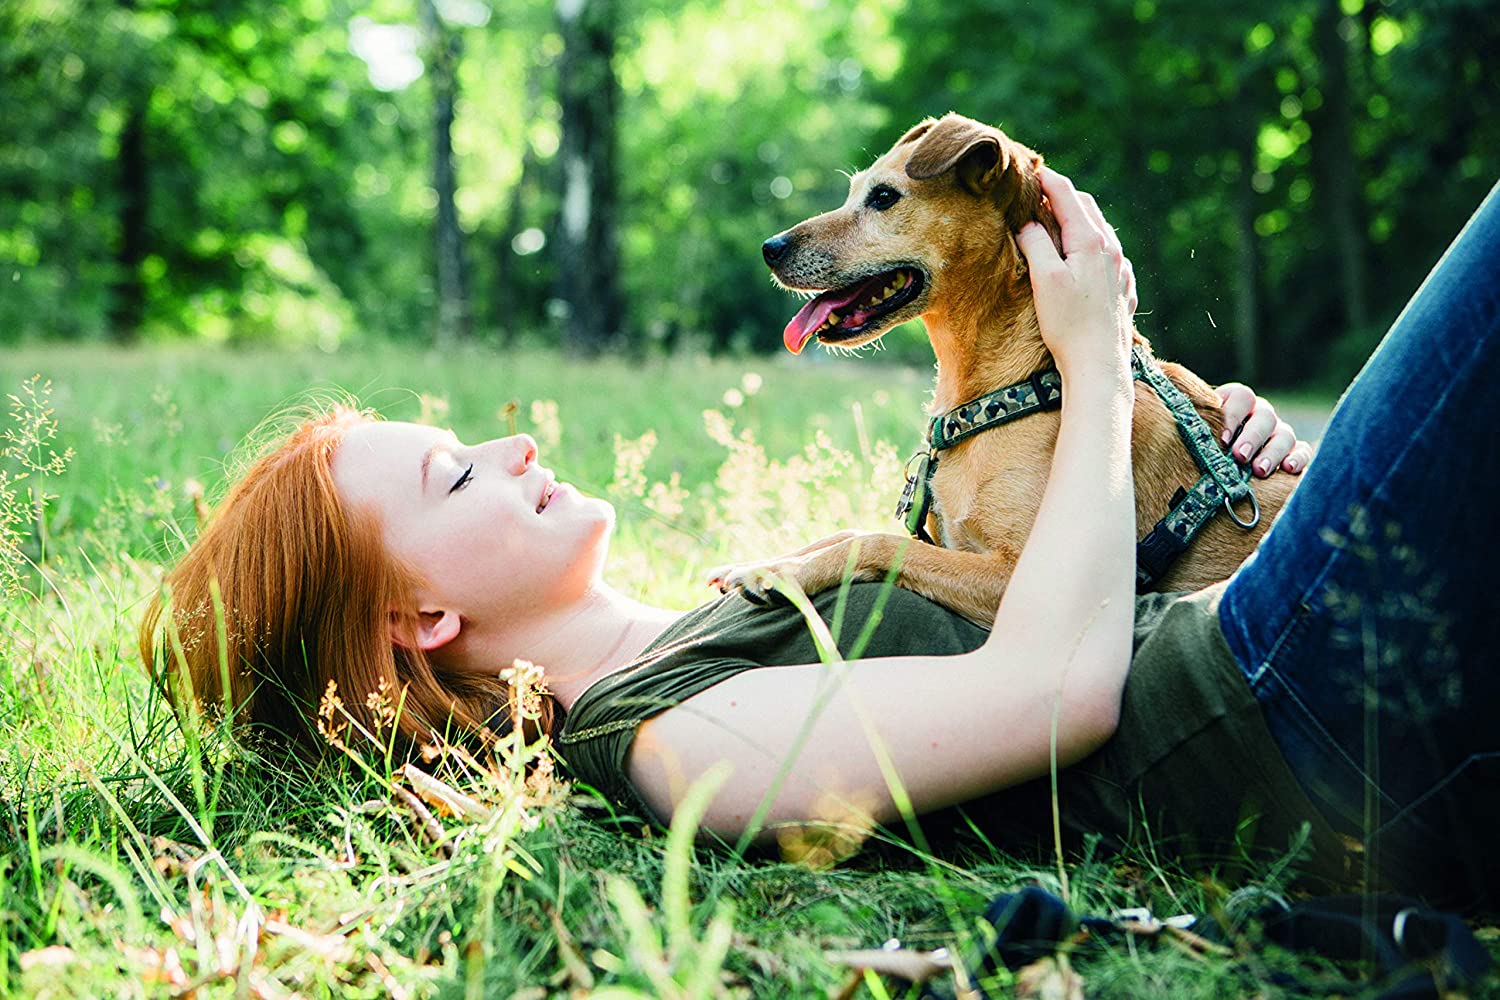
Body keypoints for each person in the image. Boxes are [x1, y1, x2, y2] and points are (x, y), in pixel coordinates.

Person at [141, 169, 1500, 910]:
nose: (513, 450)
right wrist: (1096, 362)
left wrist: (1191, 455)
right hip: (1285, 723)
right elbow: (1059, 688)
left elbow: (1059, 574)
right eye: (453, 479)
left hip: (1282, 618)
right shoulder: (666, 743)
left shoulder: (704, 643)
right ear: (420, 623)